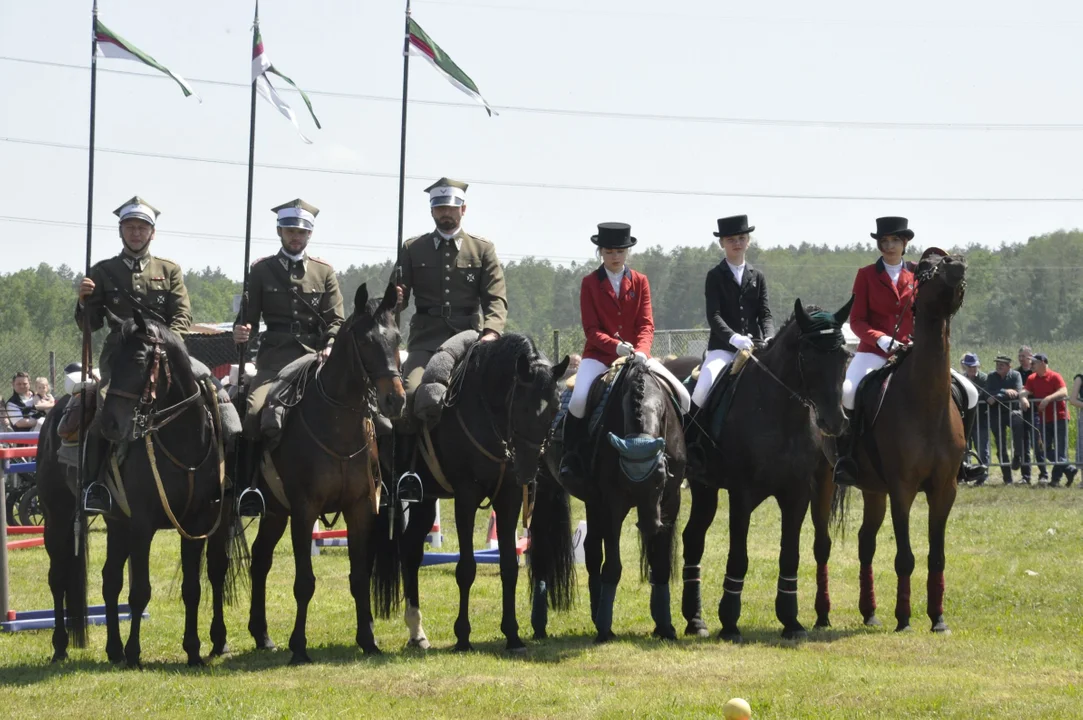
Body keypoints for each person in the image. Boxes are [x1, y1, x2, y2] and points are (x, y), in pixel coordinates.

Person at [833, 217, 982, 486]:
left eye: (894, 241)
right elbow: (856, 320)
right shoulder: (866, 274)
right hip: (874, 352)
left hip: (914, 351)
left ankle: (963, 457)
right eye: (884, 241)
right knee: (848, 392)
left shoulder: (919, 273)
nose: (888, 246)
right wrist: (881, 340)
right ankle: (848, 459)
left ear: (905, 243)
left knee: (970, 392)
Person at [75, 196, 193, 513]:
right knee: (102, 408)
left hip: (167, 356)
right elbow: (91, 323)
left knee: (212, 395)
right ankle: (95, 485)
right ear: (121, 231)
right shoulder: (102, 271)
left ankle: (219, 481)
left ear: (152, 233)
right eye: (130, 227)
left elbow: (182, 317)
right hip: (121, 359)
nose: (136, 233)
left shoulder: (169, 270)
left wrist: (169, 344)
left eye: (142, 227)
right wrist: (84, 300)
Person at [232, 199, 345, 516]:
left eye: (302, 231)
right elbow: (248, 318)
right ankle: (248, 487)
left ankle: (370, 481)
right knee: (253, 413)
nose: (296, 236)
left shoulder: (324, 272)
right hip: (275, 361)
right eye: (291, 230)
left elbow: (336, 320)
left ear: (309, 235)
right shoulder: (261, 270)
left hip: (314, 360)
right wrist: (242, 332)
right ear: (280, 231)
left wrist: (332, 343)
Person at [559, 222, 689, 482]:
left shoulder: (640, 281)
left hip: (638, 356)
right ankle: (571, 458)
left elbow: (646, 324)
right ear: (600, 253)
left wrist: (641, 351)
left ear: (627, 252)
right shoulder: (589, 283)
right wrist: (614, 346)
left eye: (619, 251)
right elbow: (591, 328)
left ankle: (683, 455)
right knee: (578, 399)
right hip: (600, 356)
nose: (614, 256)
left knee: (683, 396)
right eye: (608, 251)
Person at [394, 178, 508, 466]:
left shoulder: (482, 250)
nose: (446, 213)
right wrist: (395, 296)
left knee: (500, 397)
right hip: (425, 341)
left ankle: (505, 466)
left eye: (451, 208)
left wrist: (492, 331)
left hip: (469, 341)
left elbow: (495, 298)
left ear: (463, 209)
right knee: (407, 396)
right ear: (432, 211)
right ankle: (406, 473)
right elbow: (397, 301)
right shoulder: (413, 248)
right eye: (439, 208)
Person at [686, 214, 773, 473]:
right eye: (731, 239)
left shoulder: (758, 276)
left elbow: (765, 313)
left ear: (748, 241)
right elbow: (713, 315)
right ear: (722, 243)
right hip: (723, 349)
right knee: (701, 391)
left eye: (742, 238)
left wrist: (768, 336)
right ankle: (693, 448)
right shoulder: (715, 275)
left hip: (756, 346)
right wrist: (733, 338)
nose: (737, 243)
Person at [1022, 353, 1075, 487]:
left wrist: (1048, 399)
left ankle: (1055, 480)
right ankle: (1068, 468)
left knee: (1060, 450)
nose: (1031, 365)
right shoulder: (1031, 378)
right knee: (1042, 449)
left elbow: (1064, 391)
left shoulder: (1055, 376)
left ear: (1043, 363)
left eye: (1034, 363)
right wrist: (1023, 398)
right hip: (1044, 419)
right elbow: (1024, 391)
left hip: (1060, 417)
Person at [985, 354, 1026, 484]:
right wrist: (1004, 391)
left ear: (1009, 366)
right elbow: (986, 393)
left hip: (1013, 411)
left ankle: (1018, 455)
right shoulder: (991, 376)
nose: (999, 366)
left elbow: (1016, 393)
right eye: (997, 363)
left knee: (1019, 427)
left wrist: (997, 396)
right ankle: (1007, 478)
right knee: (1000, 445)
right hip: (996, 414)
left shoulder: (1015, 375)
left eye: (1002, 364)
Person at [1015, 345, 1045, 482]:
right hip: (1022, 413)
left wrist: (1026, 391)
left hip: (1035, 412)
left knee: (1037, 444)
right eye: (1020, 356)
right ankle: (1025, 476)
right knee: (1023, 445)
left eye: (1025, 357)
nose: (1022, 359)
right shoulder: (1015, 373)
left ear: (1030, 356)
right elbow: (1016, 389)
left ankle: (1043, 474)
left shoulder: (1035, 373)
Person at [960, 353, 989, 485]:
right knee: (965, 449)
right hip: (965, 421)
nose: (973, 370)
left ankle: (983, 475)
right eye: (970, 367)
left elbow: (984, 394)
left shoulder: (984, 378)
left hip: (980, 420)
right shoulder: (961, 379)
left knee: (982, 449)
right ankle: (966, 474)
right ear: (965, 367)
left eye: (975, 367)